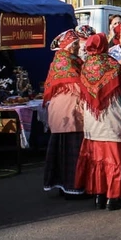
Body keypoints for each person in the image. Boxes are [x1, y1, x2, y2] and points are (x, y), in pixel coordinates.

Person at [75, 33, 121, 210]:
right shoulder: (113, 66)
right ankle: (113, 197)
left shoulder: (86, 67)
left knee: (98, 161)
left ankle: (99, 195)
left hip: (93, 122)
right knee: (115, 161)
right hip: (112, 121)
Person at [42, 29, 87, 198]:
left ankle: (63, 186)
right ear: (68, 46)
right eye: (75, 44)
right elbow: (77, 85)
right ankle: (73, 188)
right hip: (69, 111)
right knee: (72, 151)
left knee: (62, 151)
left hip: (63, 111)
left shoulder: (65, 59)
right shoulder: (66, 61)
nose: (77, 47)